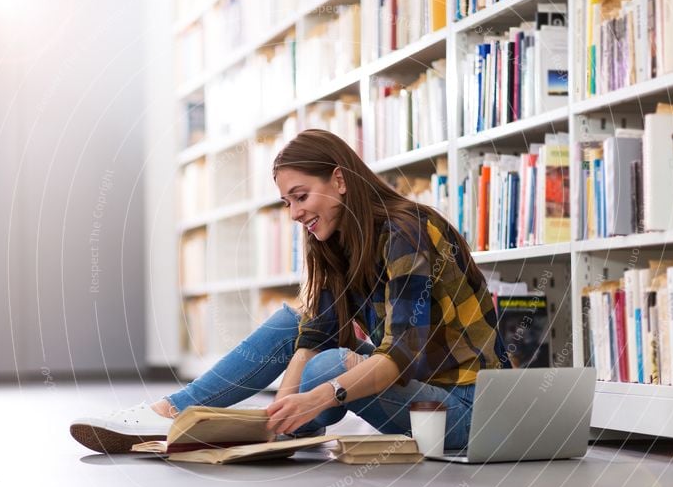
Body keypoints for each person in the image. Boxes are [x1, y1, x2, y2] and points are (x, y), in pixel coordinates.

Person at [70, 129, 509, 454]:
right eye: (287, 204)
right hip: (419, 395)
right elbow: (314, 332)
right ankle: (171, 412)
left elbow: (399, 356)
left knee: (329, 368)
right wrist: (285, 409)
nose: (295, 214)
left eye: (301, 197)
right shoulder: (336, 242)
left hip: (468, 411)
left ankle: (225, 422)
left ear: (339, 180)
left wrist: (320, 395)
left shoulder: (407, 230)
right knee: (295, 326)